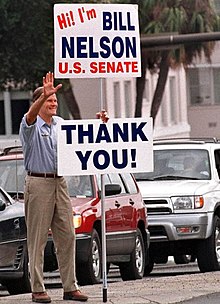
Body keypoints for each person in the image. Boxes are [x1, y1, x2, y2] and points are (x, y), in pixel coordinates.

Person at [19, 71, 109, 303]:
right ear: (39, 102)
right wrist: (43, 95)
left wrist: (100, 124)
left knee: (67, 235)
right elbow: (30, 116)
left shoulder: (60, 124)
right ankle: (38, 289)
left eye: (54, 100)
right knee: (37, 239)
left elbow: (81, 139)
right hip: (38, 182)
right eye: (49, 100)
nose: (53, 103)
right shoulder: (30, 125)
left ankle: (70, 286)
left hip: (60, 182)